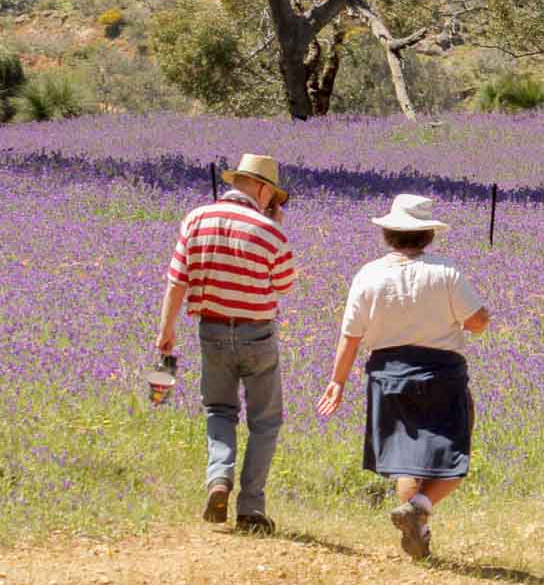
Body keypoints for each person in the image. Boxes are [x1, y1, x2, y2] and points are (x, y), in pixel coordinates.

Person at [317, 194, 489, 561]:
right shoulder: (446, 272)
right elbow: (478, 323)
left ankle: (418, 527)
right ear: (428, 235)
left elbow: (351, 336)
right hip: (442, 376)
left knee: (406, 460)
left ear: (388, 235)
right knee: (454, 455)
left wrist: (337, 382)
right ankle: (420, 508)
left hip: (388, 379)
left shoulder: (369, 274)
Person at [155, 152, 297, 534]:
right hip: (258, 333)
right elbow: (284, 285)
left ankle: (219, 480)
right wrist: (275, 227)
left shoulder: (196, 218)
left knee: (219, 410)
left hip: (211, 330)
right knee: (265, 420)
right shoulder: (269, 230)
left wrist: (166, 329)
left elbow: (177, 279)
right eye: (274, 197)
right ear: (264, 190)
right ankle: (251, 507)